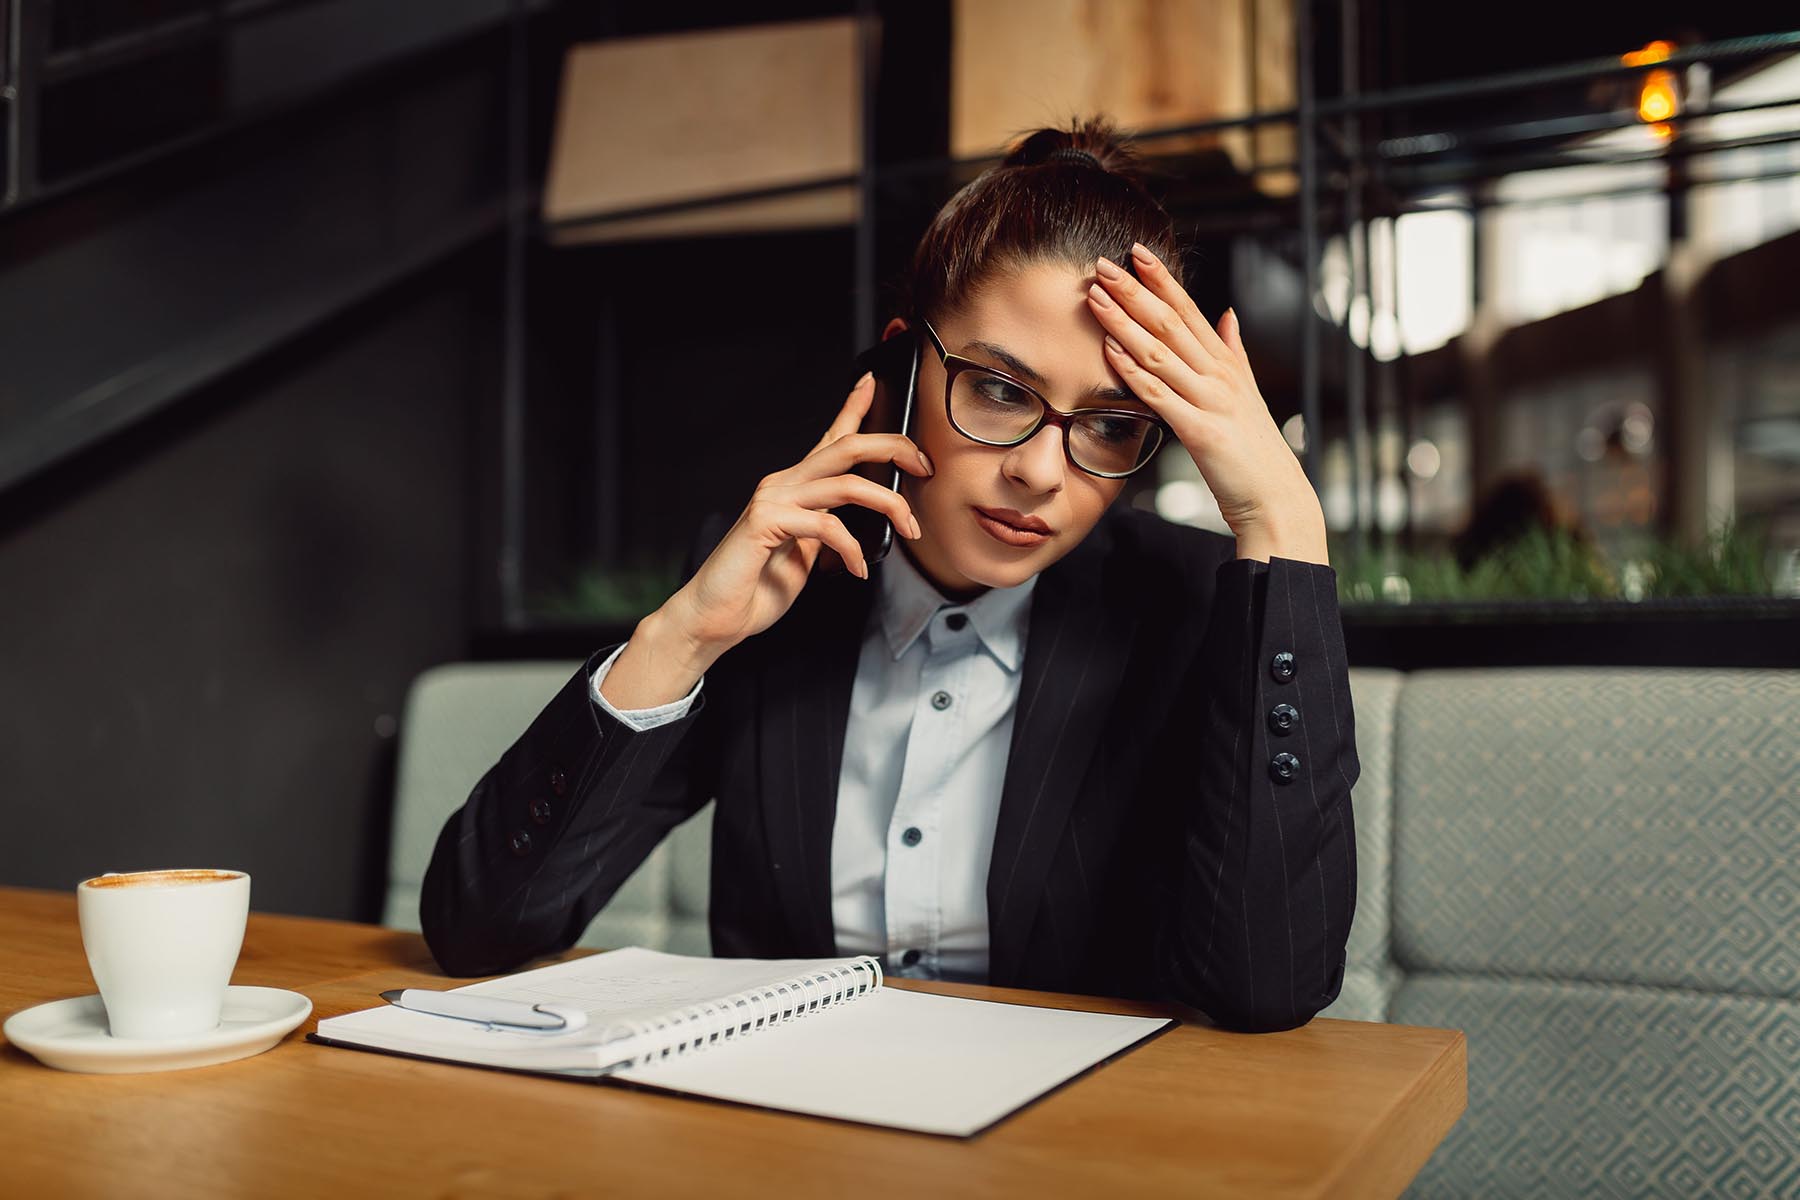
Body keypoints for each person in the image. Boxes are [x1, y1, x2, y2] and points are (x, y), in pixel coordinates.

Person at [421, 118, 1358, 1033]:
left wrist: (1284, 519)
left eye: (1110, 424)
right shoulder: (779, 591)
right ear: (904, 363)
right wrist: (681, 640)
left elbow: (1264, 988)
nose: (1039, 471)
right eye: (998, 388)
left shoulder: (1188, 604)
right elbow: (479, 928)